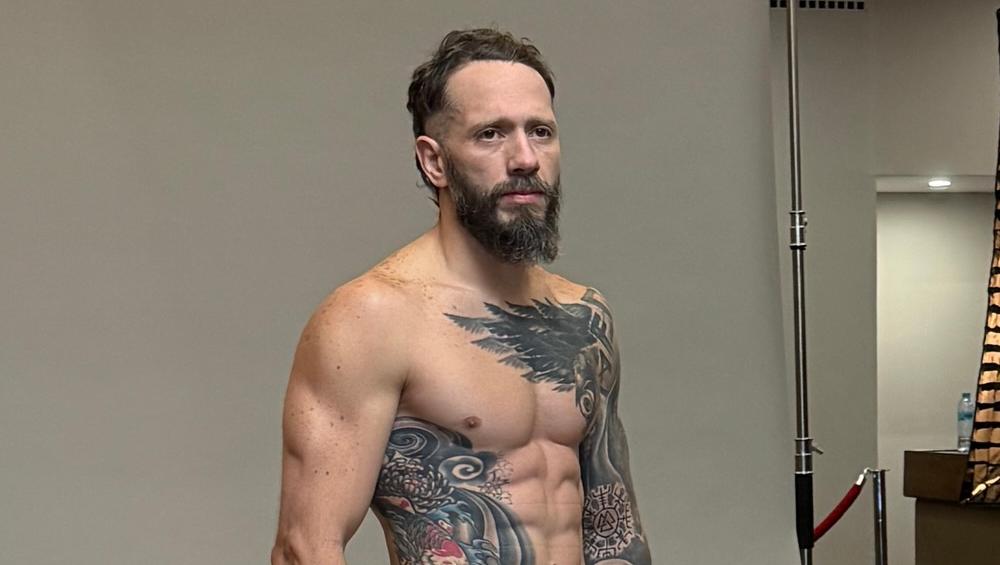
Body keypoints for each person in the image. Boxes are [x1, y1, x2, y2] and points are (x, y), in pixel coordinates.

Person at [272, 28, 651, 565]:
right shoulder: (373, 318)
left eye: (541, 131)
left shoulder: (584, 317)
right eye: (491, 134)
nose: (525, 158)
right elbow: (305, 546)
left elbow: (614, 528)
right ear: (435, 162)